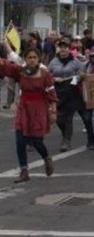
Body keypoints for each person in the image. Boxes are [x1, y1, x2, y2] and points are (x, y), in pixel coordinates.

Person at [0, 47, 56, 183]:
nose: (32, 60)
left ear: (38, 59)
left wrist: (53, 111)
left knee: (36, 141)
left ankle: (46, 157)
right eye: (29, 57)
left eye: (34, 57)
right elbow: (7, 67)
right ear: (25, 59)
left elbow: (52, 94)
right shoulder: (20, 71)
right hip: (24, 108)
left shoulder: (44, 74)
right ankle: (24, 171)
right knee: (20, 140)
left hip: (39, 109)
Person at [48, 38, 84, 152]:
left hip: (71, 91)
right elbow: (47, 76)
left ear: (69, 49)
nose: (63, 49)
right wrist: (54, 79)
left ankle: (67, 141)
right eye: (61, 47)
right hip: (58, 91)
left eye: (65, 47)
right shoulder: (53, 61)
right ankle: (64, 135)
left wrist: (72, 79)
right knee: (58, 118)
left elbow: (82, 74)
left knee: (68, 118)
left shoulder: (76, 61)